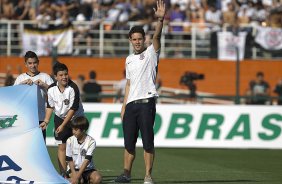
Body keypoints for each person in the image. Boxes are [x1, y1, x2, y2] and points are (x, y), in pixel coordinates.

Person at [114, 1, 166, 184]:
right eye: (134, 39)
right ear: (130, 40)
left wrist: (160, 19)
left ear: (144, 39)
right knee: (128, 144)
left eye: (140, 39)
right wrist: (123, 106)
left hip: (146, 103)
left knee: (147, 143)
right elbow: (128, 84)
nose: (137, 42)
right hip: (130, 105)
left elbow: (158, 35)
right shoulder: (128, 60)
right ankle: (126, 174)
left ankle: (148, 176)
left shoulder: (152, 52)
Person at [40, 62, 84, 177]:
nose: (64, 77)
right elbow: (50, 106)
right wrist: (46, 121)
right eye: (61, 75)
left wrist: (63, 125)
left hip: (76, 118)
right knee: (62, 146)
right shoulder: (51, 89)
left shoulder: (73, 87)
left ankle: (79, 172)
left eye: (66, 74)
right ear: (55, 77)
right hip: (59, 117)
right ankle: (63, 175)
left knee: (76, 145)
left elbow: (73, 109)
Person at [14, 51, 53, 141]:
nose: (33, 65)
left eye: (34, 63)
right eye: (30, 63)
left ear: (38, 62)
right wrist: (21, 85)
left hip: (40, 118)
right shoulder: (21, 78)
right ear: (25, 64)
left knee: (40, 147)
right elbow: (14, 98)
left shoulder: (45, 77)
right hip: (24, 119)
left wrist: (44, 85)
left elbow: (56, 94)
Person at [66, 116, 102, 184]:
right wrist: (75, 174)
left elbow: (87, 160)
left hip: (88, 169)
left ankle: (77, 180)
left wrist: (78, 176)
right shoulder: (70, 140)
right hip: (74, 169)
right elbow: (69, 159)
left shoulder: (91, 141)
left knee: (97, 179)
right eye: (72, 129)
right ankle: (67, 179)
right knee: (79, 181)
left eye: (76, 130)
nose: (73, 132)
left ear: (83, 130)